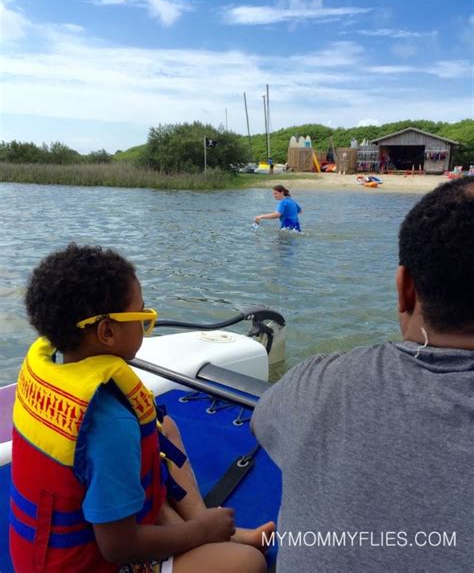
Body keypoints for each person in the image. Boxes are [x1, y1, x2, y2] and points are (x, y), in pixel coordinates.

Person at [252, 176, 474, 572]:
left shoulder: (317, 382)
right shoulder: (294, 203)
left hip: (289, 237)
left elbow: (261, 426)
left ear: (404, 288)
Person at [10, 243, 274, 573]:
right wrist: (199, 534)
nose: (148, 321)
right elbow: (119, 546)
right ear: (107, 332)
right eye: (143, 315)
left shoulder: (53, 373)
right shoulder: (112, 426)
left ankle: (204, 523)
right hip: (99, 559)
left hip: (43, 549)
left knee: (165, 430)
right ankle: (210, 533)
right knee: (248, 564)